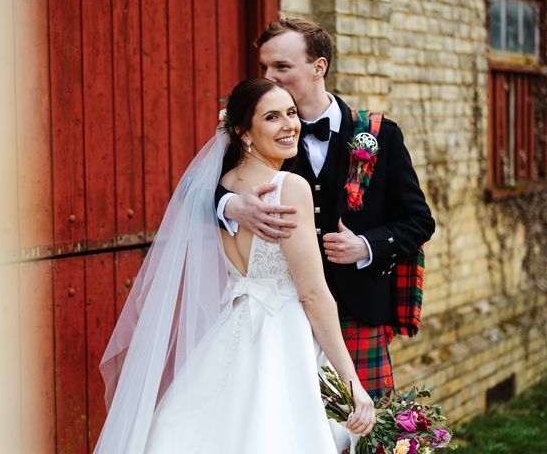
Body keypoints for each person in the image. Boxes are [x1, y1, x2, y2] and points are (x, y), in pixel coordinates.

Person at [93, 78, 375, 453]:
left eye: (291, 113)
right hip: (281, 333)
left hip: (230, 329)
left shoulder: (220, 186)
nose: (289, 124)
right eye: (272, 117)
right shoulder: (289, 187)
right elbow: (312, 292)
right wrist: (351, 379)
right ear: (243, 132)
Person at [216, 19, 435, 397]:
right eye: (264, 68)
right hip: (280, 318)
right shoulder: (260, 133)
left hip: (356, 313)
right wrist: (232, 206)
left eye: (281, 67)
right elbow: (201, 194)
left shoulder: (381, 135)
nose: (269, 76)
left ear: (319, 67)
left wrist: (366, 245)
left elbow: (419, 221)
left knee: (363, 436)